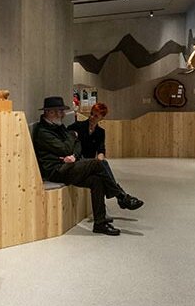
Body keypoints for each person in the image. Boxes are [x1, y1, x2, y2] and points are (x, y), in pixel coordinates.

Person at [32, 96, 143, 236]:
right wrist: (72, 137)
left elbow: (77, 145)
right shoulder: (43, 131)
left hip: (68, 165)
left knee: (96, 180)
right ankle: (121, 196)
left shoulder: (58, 126)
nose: (63, 114)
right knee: (100, 164)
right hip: (56, 170)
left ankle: (100, 223)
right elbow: (66, 147)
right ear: (50, 112)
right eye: (60, 111)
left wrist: (74, 156)